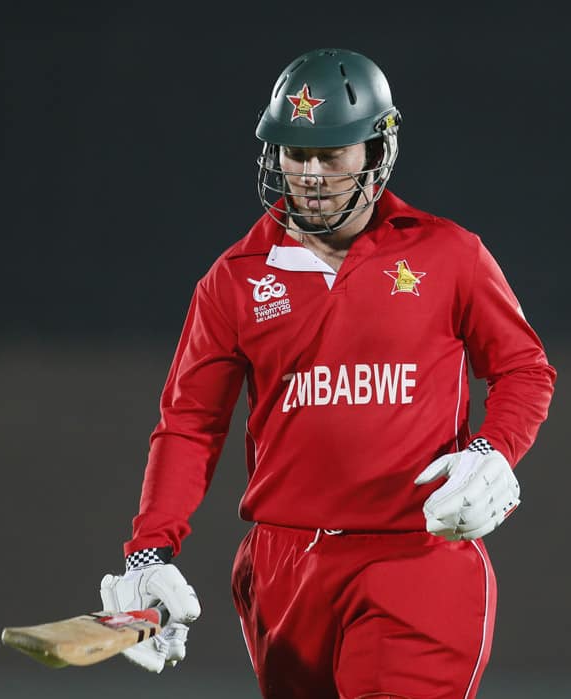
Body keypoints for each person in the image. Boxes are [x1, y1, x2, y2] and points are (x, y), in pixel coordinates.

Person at [100, 48, 556, 698]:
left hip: (416, 558)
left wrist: (495, 449)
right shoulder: (233, 279)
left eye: (331, 154)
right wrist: (148, 553)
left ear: (376, 150)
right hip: (281, 571)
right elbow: (188, 425)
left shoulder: (450, 254)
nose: (310, 174)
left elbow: (523, 368)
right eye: (295, 153)